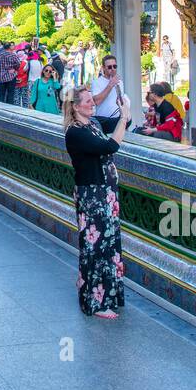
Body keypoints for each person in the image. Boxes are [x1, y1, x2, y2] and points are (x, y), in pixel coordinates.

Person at [62, 84, 130, 319]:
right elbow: (111, 146)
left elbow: (119, 130)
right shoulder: (75, 133)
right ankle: (96, 301)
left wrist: (124, 116)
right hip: (93, 195)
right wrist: (125, 116)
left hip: (105, 193)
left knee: (108, 244)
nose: (93, 104)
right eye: (88, 101)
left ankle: (104, 294)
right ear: (76, 106)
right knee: (96, 246)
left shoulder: (92, 125)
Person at [88, 55, 125, 134]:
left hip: (117, 120)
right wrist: (110, 85)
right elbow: (97, 101)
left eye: (115, 66)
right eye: (109, 67)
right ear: (103, 68)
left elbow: (121, 102)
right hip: (103, 121)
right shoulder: (97, 82)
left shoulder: (120, 82)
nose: (113, 69)